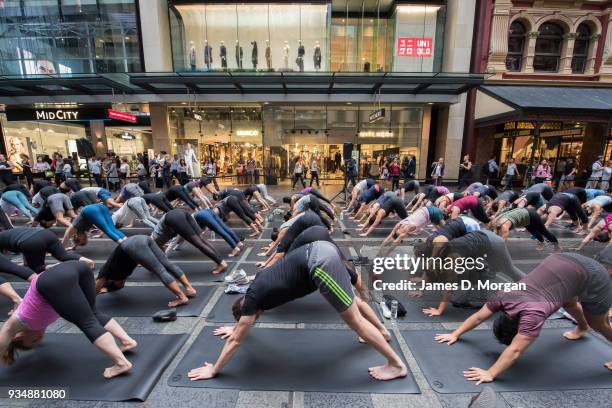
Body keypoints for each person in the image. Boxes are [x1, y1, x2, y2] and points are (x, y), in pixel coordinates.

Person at [187, 241, 407, 382]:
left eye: (250, 320)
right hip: (323, 248)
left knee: (355, 321)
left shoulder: (253, 303)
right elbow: (242, 326)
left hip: (320, 264)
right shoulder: (258, 287)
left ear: (250, 313)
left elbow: (236, 340)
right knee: (354, 302)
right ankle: (383, 333)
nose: (254, 320)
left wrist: (214, 369)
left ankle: (396, 365)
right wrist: (237, 326)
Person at [434, 250, 612, 383]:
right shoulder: (505, 295)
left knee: (598, 322)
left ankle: (587, 325)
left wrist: (490, 373)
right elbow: (479, 317)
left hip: (594, 276)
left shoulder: (532, 315)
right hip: (563, 260)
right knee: (568, 301)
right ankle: (582, 327)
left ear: (519, 329)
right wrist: (455, 333)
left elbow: (516, 350)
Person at [0, 261, 137, 378]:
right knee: (92, 312)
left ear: (17, 336)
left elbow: (4, 334)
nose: (40, 339)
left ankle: (121, 363)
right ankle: (127, 341)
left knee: (87, 322)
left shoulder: (20, 320)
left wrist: (6, 346)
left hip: (53, 280)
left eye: (34, 341)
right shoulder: (37, 323)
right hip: (78, 268)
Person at [420, 230, 525, 317]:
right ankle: (470, 293)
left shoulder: (450, 259)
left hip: (493, 243)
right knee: (471, 270)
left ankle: (532, 287)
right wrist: (421, 290)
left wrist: (439, 310)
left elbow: (450, 285)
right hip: (480, 237)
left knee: (508, 269)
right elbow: (430, 271)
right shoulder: (438, 252)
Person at [96, 235, 196, 307]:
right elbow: (137, 259)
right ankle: (189, 289)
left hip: (134, 244)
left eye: (120, 284)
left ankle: (182, 297)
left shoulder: (107, 270)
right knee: (167, 264)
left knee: (160, 270)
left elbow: (97, 284)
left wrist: (89, 300)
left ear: (111, 281)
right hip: (143, 239)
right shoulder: (123, 272)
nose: (122, 284)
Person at [152, 209, 227, 274]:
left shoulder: (154, 242)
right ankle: (220, 261)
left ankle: (221, 263)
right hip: (182, 212)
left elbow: (160, 253)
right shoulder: (155, 240)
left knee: (198, 243)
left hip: (174, 218)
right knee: (202, 239)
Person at [0, 227, 92, 273]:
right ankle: (87, 261)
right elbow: (24, 249)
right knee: (63, 255)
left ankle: (59, 267)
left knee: (37, 268)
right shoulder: (6, 233)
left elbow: (3, 261)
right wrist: (25, 263)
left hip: (30, 241)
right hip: (45, 233)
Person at [378, 206, 445, 256]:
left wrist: (386, 253)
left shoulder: (404, 231)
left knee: (445, 228)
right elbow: (389, 237)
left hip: (430, 214)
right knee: (440, 227)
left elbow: (395, 242)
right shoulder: (399, 224)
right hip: (425, 209)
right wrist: (381, 249)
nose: (404, 237)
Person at [490, 207, 560, 251]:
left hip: (531, 215)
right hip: (524, 216)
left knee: (544, 232)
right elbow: (494, 234)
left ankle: (557, 246)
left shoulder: (504, 226)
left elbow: (503, 240)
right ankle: (543, 242)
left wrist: (496, 249)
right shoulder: (493, 223)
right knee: (532, 231)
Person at [62, 203, 127, 248]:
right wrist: (73, 247)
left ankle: (127, 248)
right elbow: (76, 241)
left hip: (90, 210)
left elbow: (66, 236)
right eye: (85, 239)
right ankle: (128, 242)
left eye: (84, 239)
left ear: (76, 237)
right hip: (101, 207)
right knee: (112, 229)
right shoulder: (82, 231)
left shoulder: (74, 228)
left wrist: (61, 250)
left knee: (108, 230)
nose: (86, 237)